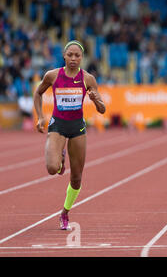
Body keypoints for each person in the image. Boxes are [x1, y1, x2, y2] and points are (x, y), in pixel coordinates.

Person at [33, 40, 106, 229]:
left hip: (77, 128)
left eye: (77, 55)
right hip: (58, 125)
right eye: (70, 55)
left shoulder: (88, 79)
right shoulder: (53, 75)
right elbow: (38, 93)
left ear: (82, 58)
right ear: (64, 56)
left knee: (76, 178)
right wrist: (41, 117)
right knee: (52, 167)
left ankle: (65, 212)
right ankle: (60, 158)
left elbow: (103, 110)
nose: (73, 58)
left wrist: (96, 100)